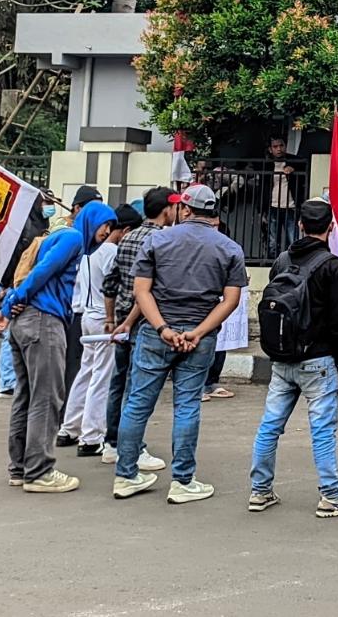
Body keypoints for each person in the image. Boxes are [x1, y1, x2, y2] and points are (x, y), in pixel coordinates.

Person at [113, 184, 246, 504]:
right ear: (213, 212)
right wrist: (198, 332)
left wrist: (162, 328)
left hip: (155, 333)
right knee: (187, 406)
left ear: (185, 209)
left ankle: (125, 475)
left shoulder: (157, 240)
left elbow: (141, 291)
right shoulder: (229, 248)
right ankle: (183, 481)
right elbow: (230, 300)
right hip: (199, 338)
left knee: (137, 403)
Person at [249, 198, 338, 518]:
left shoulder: (282, 260)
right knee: (322, 429)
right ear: (331, 227)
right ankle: (330, 496)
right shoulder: (334, 266)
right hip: (320, 362)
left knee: (270, 425)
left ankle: (260, 491)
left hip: (283, 359)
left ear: (299, 224)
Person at [0, 200, 112, 492]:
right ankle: (39, 471)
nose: (108, 233)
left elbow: (35, 272)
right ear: (93, 220)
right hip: (44, 322)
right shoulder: (73, 238)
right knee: (46, 397)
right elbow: (42, 271)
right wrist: (10, 304)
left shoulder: (59, 236)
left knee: (27, 395)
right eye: (107, 225)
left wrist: (11, 305)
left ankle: (20, 467)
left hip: (28, 322)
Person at [101, 187, 175, 470]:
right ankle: (132, 448)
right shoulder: (163, 240)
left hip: (120, 315)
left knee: (118, 382)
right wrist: (133, 319)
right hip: (145, 320)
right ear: (167, 210)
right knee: (137, 388)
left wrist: (112, 319)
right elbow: (150, 289)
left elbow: (112, 282)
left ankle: (111, 442)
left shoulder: (127, 236)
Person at [56, 204, 133, 456]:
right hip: (104, 317)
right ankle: (91, 436)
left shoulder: (85, 251)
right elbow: (115, 286)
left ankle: (69, 427)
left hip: (87, 314)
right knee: (101, 377)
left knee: (86, 372)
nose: (107, 230)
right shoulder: (110, 251)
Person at [0, 195, 53, 396]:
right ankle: (9, 382)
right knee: (9, 332)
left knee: (11, 332)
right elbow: (20, 260)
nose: (50, 206)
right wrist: (9, 285)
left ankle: (12, 381)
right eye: (47, 202)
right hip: (14, 285)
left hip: (18, 285)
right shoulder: (23, 229)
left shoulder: (41, 225)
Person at [62, 185, 104, 409]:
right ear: (77, 208)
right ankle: (66, 415)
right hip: (68, 309)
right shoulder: (67, 235)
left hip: (87, 312)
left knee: (85, 368)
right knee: (71, 365)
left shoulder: (99, 244)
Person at [260, 136, 307, 256]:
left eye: (281, 145)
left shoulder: (294, 161)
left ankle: (292, 262)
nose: (279, 149)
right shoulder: (267, 164)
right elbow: (262, 188)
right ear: (270, 149)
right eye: (275, 147)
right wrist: (261, 210)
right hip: (272, 206)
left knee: (293, 239)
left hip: (290, 206)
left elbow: (305, 166)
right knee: (273, 240)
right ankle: (272, 264)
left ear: (285, 146)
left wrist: (294, 169)